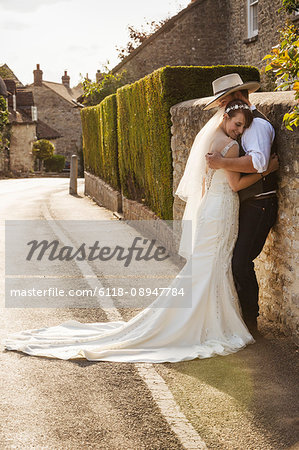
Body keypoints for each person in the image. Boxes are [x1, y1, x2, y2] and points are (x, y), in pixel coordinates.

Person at [4, 100, 278, 363]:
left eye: (242, 127)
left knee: (207, 266)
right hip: (220, 211)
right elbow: (235, 185)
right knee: (213, 265)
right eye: (237, 124)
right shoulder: (229, 147)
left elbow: (206, 186)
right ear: (226, 116)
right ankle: (211, 321)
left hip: (212, 210)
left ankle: (207, 317)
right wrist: (268, 171)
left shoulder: (210, 140)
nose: (239, 131)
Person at [204, 73, 278, 333]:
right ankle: (236, 316)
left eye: (224, 100)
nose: (223, 107)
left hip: (260, 202)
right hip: (245, 202)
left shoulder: (256, 125)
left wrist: (222, 162)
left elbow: (258, 163)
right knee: (232, 260)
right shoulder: (241, 123)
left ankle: (251, 321)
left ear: (236, 96)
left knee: (240, 261)